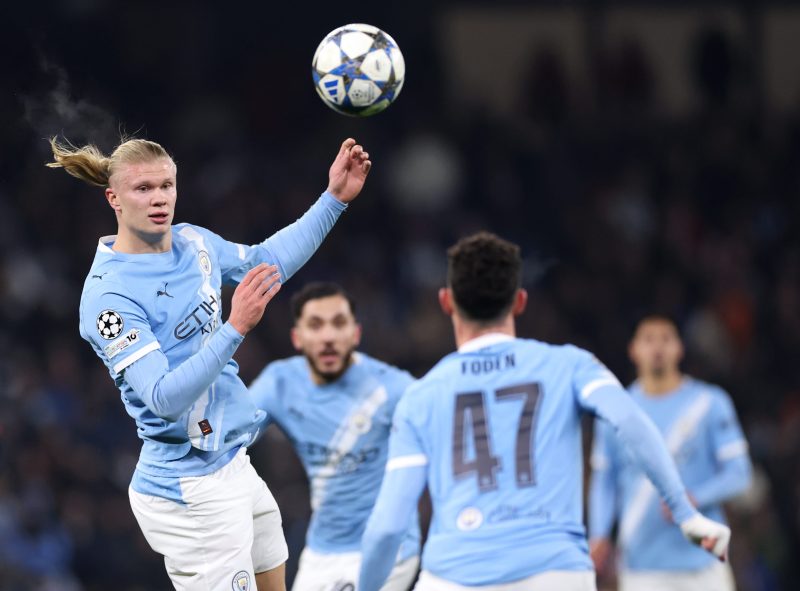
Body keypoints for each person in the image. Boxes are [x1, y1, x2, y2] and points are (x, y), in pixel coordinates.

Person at [47, 135, 371, 591]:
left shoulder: (193, 242)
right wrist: (235, 327)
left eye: (166, 185)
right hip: (187, 487)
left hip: (231, 460)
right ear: (113, 198)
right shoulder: (109, 295)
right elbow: (163, 398)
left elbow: (267, 263)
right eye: (143, 189)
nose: (159, 198)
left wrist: (334, 198)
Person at [358, 231, 731, 591]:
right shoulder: (571, 365)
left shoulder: (419, 397)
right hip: (556, 571)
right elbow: (631, 421)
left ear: (446, 301)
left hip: (455, 576)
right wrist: (684, 512)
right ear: (520, 301)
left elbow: (388, 527)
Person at [249, 282, 420, 591]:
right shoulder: (279, 384)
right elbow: (228, 439)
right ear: (297, 337)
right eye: (316, 325)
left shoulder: (394, 390)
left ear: (356, 334)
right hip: (321, 552)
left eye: (339, 324)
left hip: (387, 549)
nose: (328, 336)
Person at [589, 316, 752, 591]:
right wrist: (599, 534)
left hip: (703, 562)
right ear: (633, 350)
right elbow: (604, 481)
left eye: (666, 339)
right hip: (641, 564)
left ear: (679, 348)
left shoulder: (709, 403)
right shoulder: (614, 411)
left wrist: (696, 497)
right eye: (648, 339)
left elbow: (739, 473)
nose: (658, 348)